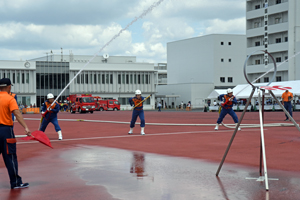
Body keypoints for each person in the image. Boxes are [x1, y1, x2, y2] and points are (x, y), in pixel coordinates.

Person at [0, 78, 31, 189]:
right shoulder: (10, 98)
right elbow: (17, 113)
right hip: (6, 131)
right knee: (10, 157)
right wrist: (26, 127)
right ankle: (16, 183)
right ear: (9, 87)